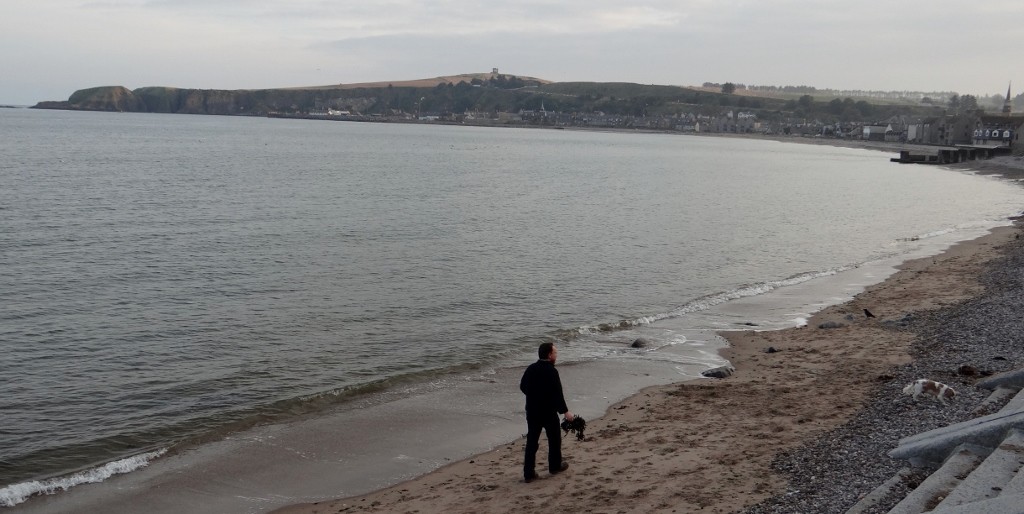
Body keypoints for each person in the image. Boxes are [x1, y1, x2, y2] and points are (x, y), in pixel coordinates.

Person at [519, 342, 575, 483]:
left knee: (532, 441)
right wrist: (565, 412)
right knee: (554, 439)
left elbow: (523, 386)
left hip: (532, 411)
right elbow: (558, 394)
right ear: (549, 355)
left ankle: (528, 473)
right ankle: (555, 466)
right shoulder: (551, 371)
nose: (556, 355)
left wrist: (534, 396)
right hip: (548, 412)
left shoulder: (531, 368)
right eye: (555, 353)